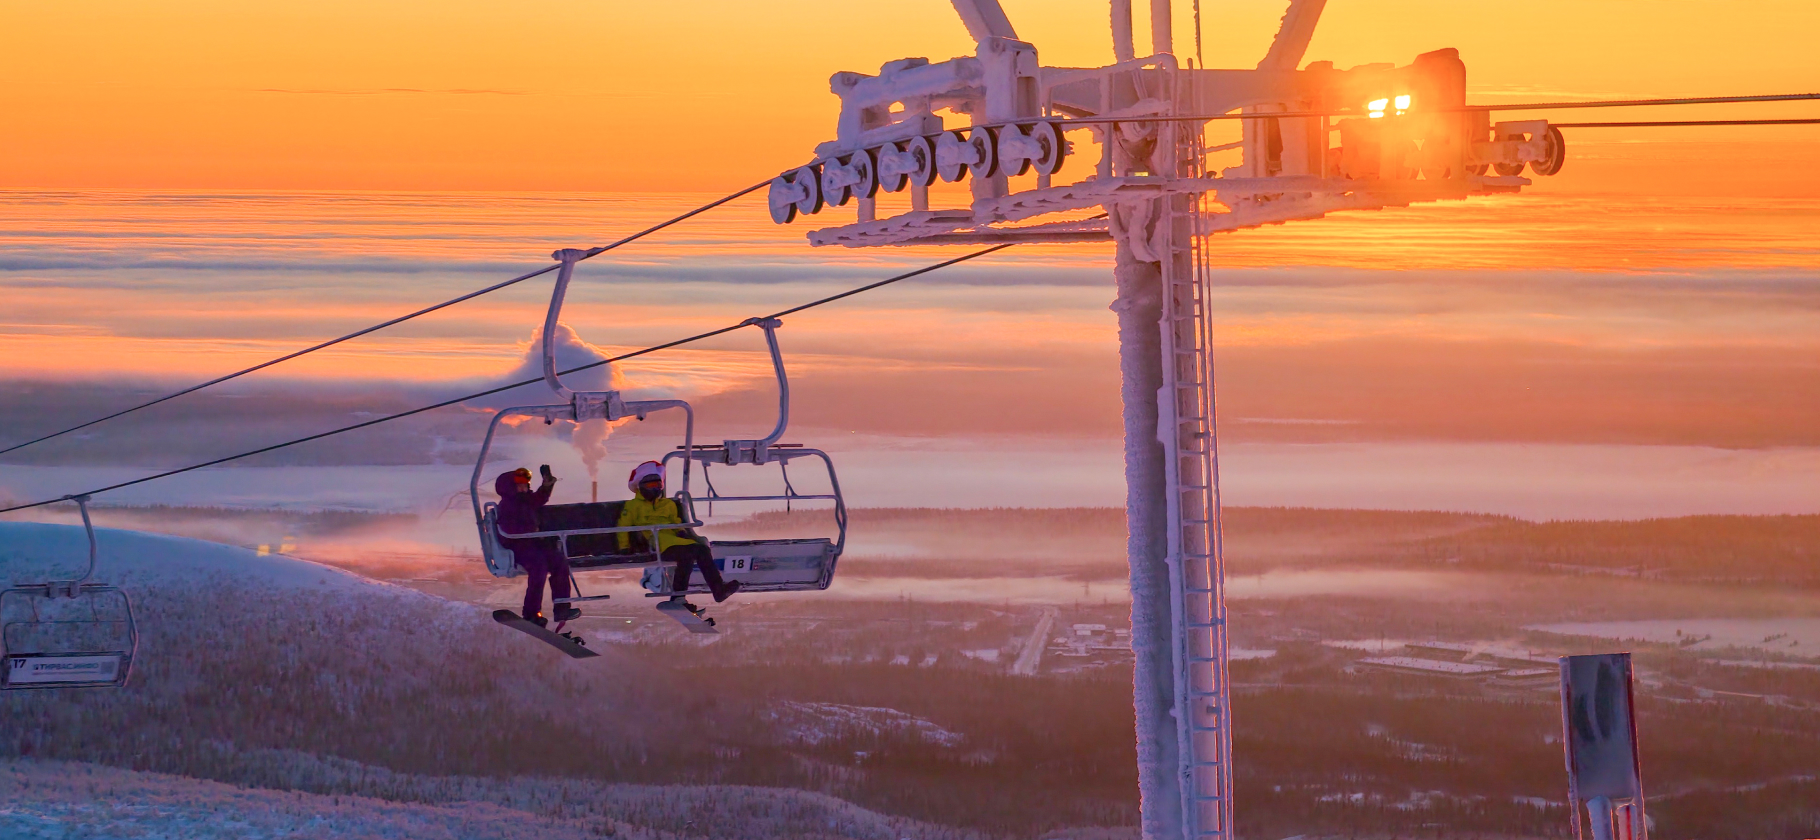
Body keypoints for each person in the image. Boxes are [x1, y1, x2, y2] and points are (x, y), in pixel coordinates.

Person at [617, 461, 739, 607]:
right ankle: (678, 597)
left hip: (674, 541)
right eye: (651, 486)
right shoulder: (633, 506)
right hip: (655, 543)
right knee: (686, 555)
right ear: (641, 486)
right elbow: (623, 526)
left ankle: (718, 590)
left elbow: (675, 522)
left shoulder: (667, 505)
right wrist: (624, 547)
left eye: (658, 485)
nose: (655, 489)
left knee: (702, 549)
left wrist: (681, 532)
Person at [494, 465, 579, 627]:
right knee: (538, 567)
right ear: (510, 487)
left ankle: (562, 607)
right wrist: (531, 529)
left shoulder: (526, 501)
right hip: (517, 546)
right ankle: (531, 612)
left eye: (525, 484)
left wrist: (547, 485)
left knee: (559, 562)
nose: (523, 488)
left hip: (534, 543)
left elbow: (540, 498)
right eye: (519, 485)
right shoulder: (507, 505)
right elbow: (507, 528)